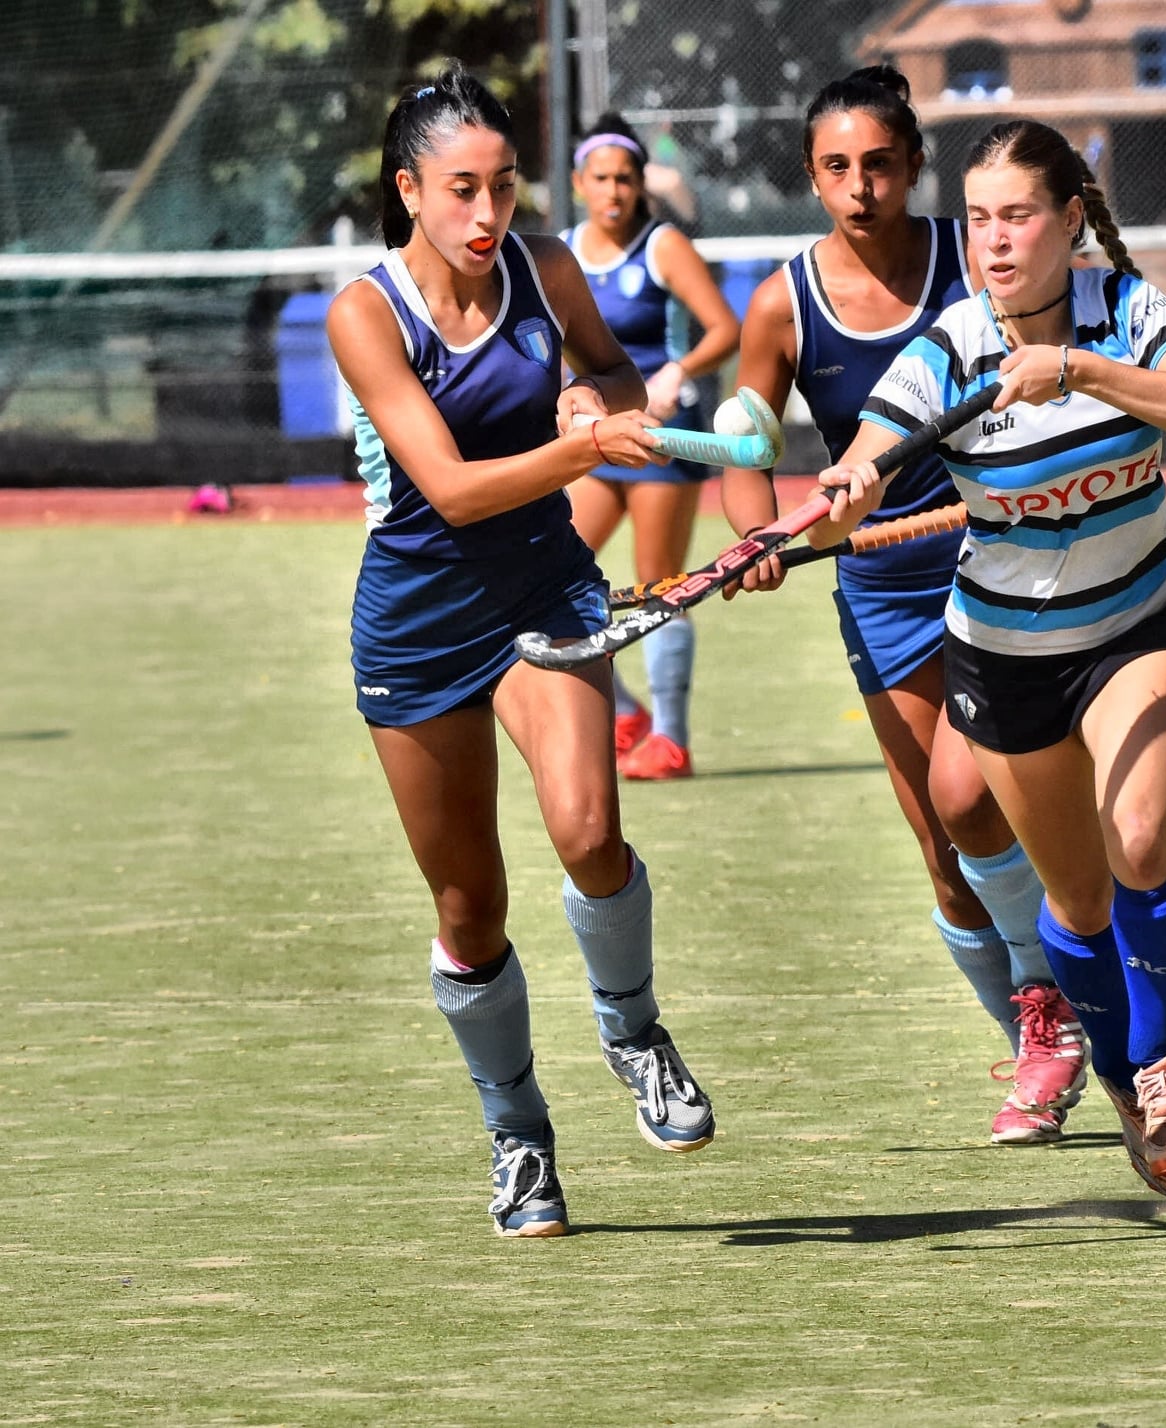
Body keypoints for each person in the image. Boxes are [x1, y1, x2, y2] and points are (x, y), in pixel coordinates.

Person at [811, 119, 1166, 1204]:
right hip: (1005, 657)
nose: (993, 241)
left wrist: (1080, 372)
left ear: (1066, 223)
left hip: (1144, 624)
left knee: (1139, 838)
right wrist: (838, 500)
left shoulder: (1127, 312)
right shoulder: (945, 350)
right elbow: (861, 464)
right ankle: (1121, 1083)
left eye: (1016, 218)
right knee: (1077, 903)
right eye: (978, 220)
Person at [326, 64, 716, 1239]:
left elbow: (612, 368)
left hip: (544, 589)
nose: (488, 214)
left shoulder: (546, 272)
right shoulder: (364, 313)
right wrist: (587, 452)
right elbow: (444, 488)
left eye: (503, 186)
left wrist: (598, 399)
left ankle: (634, 1033)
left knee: (592, 833)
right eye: (461, 190)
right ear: (409, 192)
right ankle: (518, 1137)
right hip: (418, 625)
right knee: (471, 910)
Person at [721, 68, 1088, 1146]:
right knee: (943, 838)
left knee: (994, 798)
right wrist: (759, 533)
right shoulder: (783, 300)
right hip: (878, 579)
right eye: (836, 167)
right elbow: (748, 440)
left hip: (1005, 558)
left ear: (914, 165)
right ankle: (1044, 1037)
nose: (860, 186)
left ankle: (1067, 1011)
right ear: (811, 176)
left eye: (879, 163)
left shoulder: (976, 260)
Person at [564, 112, 740, 779]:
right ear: (581, 183)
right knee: (550, 585)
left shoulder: (661, 245)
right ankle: (622, 714)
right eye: (601, 178)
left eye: (626, 179)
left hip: (663, 440)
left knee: (656, 590)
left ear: (640, 185)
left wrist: (678, 371)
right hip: (598, 442)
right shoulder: (561, 251)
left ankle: (669, 739)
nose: (613, 191)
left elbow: (724, 328)